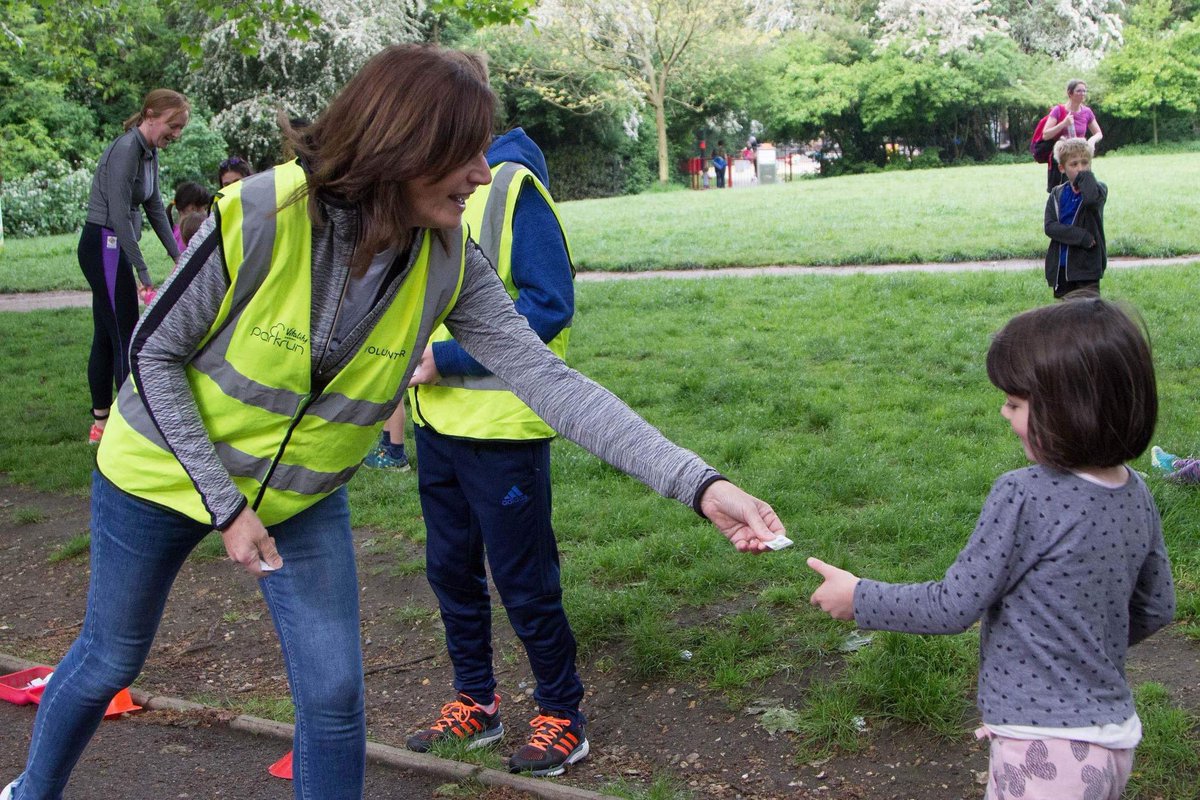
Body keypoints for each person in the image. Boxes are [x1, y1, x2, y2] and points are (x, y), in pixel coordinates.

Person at [1, 44, 786, 800]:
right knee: (110, 658)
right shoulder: (263, 213)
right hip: (160, 470)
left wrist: (698, 484)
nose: (485, 173)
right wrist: (225, 503)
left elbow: (549, 381)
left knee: (337, 696)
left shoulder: (448, 253)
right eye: (466, 153)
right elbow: (152, 354)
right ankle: (33, 790)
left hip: (300, 497)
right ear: (403, 146)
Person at [808, 299, 1175, 800]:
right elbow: (1157, 607)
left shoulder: (1025, 493)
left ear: (1071, 407)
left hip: (1043, 748)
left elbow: (953, 605)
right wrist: (1083, 648)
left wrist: (859, 597)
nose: (1003, 412)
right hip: (1113, 738)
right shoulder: (1135, 492)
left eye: (1016, 403)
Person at [402, 127, 585, 776]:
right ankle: (477, 703)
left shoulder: (510, 187)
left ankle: (564, 714)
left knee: (524, 583)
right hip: (438, 428)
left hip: (505, 429)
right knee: (449, 571)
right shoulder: (418, 191)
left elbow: (550, 305)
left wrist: (445, 360)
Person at [77, 88, 189, 444]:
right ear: (151, 115)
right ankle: (131, 431)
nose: (177, 134)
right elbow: (119, 220)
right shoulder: (126, 150)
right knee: (126, 336)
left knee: (107, 334)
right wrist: (143, 273)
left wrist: (178, 254)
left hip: (114, 245)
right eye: (173, 125)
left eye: (181, 127)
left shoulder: (148, 153)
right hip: (104, 244)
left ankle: (101, 425)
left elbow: (154, 206)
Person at [1044, 138, 1107, 300]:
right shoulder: (1056, 194)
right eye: (1074, 164)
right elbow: (1050, 227)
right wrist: (1081, 236)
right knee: (1068, 316)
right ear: (1062, 168)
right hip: (1063, 266)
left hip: (1087, 266)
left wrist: (1086, 178)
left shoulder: (1099, 189)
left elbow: (1091, 201)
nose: (1080, 168)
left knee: (1089, 313)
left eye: (1085, 163)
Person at [1041, 79, 1103, 192]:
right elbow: (1045, 135)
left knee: (1083, 190)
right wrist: (1063, 124)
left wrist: (1092, 141)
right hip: (1063, 157)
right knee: (1061, 191)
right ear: (1070, 93)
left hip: (1081, 156)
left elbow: (1099, 133)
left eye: (1084, 91)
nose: (1083, 94)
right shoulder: (1058, 110)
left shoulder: (1087, 112)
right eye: (1079, 91)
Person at [167, 181, 213, 254]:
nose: (205, 212)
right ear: (192, 208)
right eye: (204, 208)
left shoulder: (177, 231)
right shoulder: (192, 232)